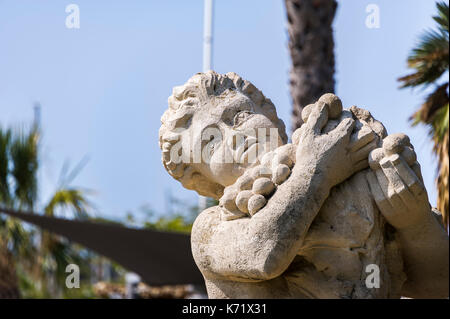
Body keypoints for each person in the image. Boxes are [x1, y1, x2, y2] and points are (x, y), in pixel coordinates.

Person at [159, 71, 448, 298]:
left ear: (269, 114)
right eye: (211, 144)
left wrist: (414, 222)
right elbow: (264, 254)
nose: (235, 136)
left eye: (241, 116)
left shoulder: (348, 174)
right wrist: (317, 170)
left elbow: (438, 285)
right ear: (201, 179)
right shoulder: (213, 229)